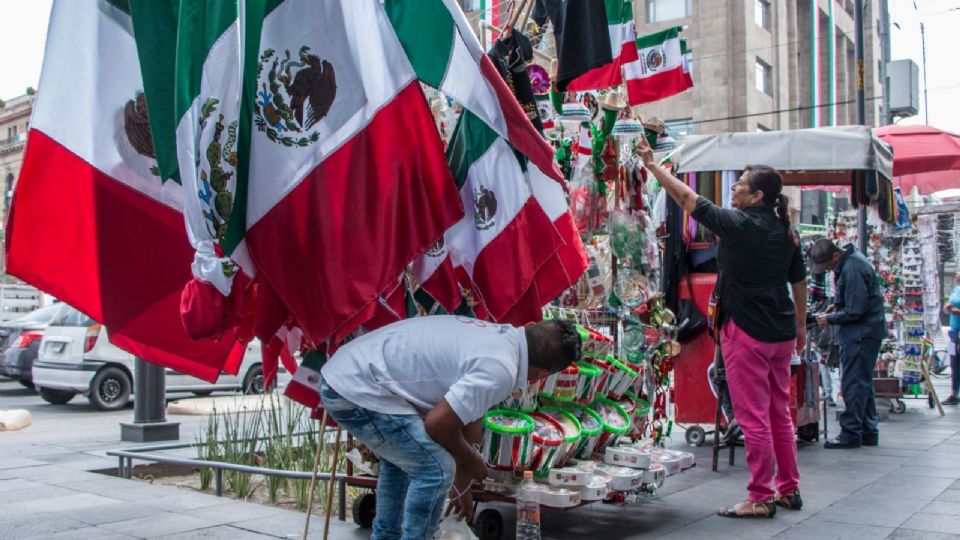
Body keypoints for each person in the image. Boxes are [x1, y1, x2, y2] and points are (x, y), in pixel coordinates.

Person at [637, 138, 807, 519]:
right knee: (779, 412)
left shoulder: (741, 224)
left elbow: (688, 200)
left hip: (746, 331)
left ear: (757, 194)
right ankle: (789, 488)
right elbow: (799, 283)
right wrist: (800, 328)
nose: (733, 188)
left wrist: (652, 166)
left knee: (753, 417)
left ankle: (760, 496)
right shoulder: (786, 231)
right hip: (780, 333)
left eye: (740, 183)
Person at [318, 315, 581, 540]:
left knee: (404, 462)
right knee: (436, 469)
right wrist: (472, 462)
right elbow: (438, 424)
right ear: (541, 375)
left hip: (349, 376)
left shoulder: (501, 339)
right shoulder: (501, 367)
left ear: (530, 325)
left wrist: (462, 485)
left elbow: (467, 419)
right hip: (357, 388)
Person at [812, 238, 885, 448]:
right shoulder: (851, 263)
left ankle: (851, 432)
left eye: (828, 265)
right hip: (864, 331)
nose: (827, 269)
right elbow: (851, 301)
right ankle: (868, 430)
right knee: (862, 381)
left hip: (861, 333)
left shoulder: (852, 267)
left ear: (835, 255)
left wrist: (829, 318)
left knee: (853, 382)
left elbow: (855, 310)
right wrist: (835, 306)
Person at [942, 271, 960, 405]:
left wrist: (956, 311)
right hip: (954, 331)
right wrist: (947, 308)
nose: (957, 275)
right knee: (954, 364)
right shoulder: (956, 289)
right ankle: (954, 393)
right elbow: (947, 306)